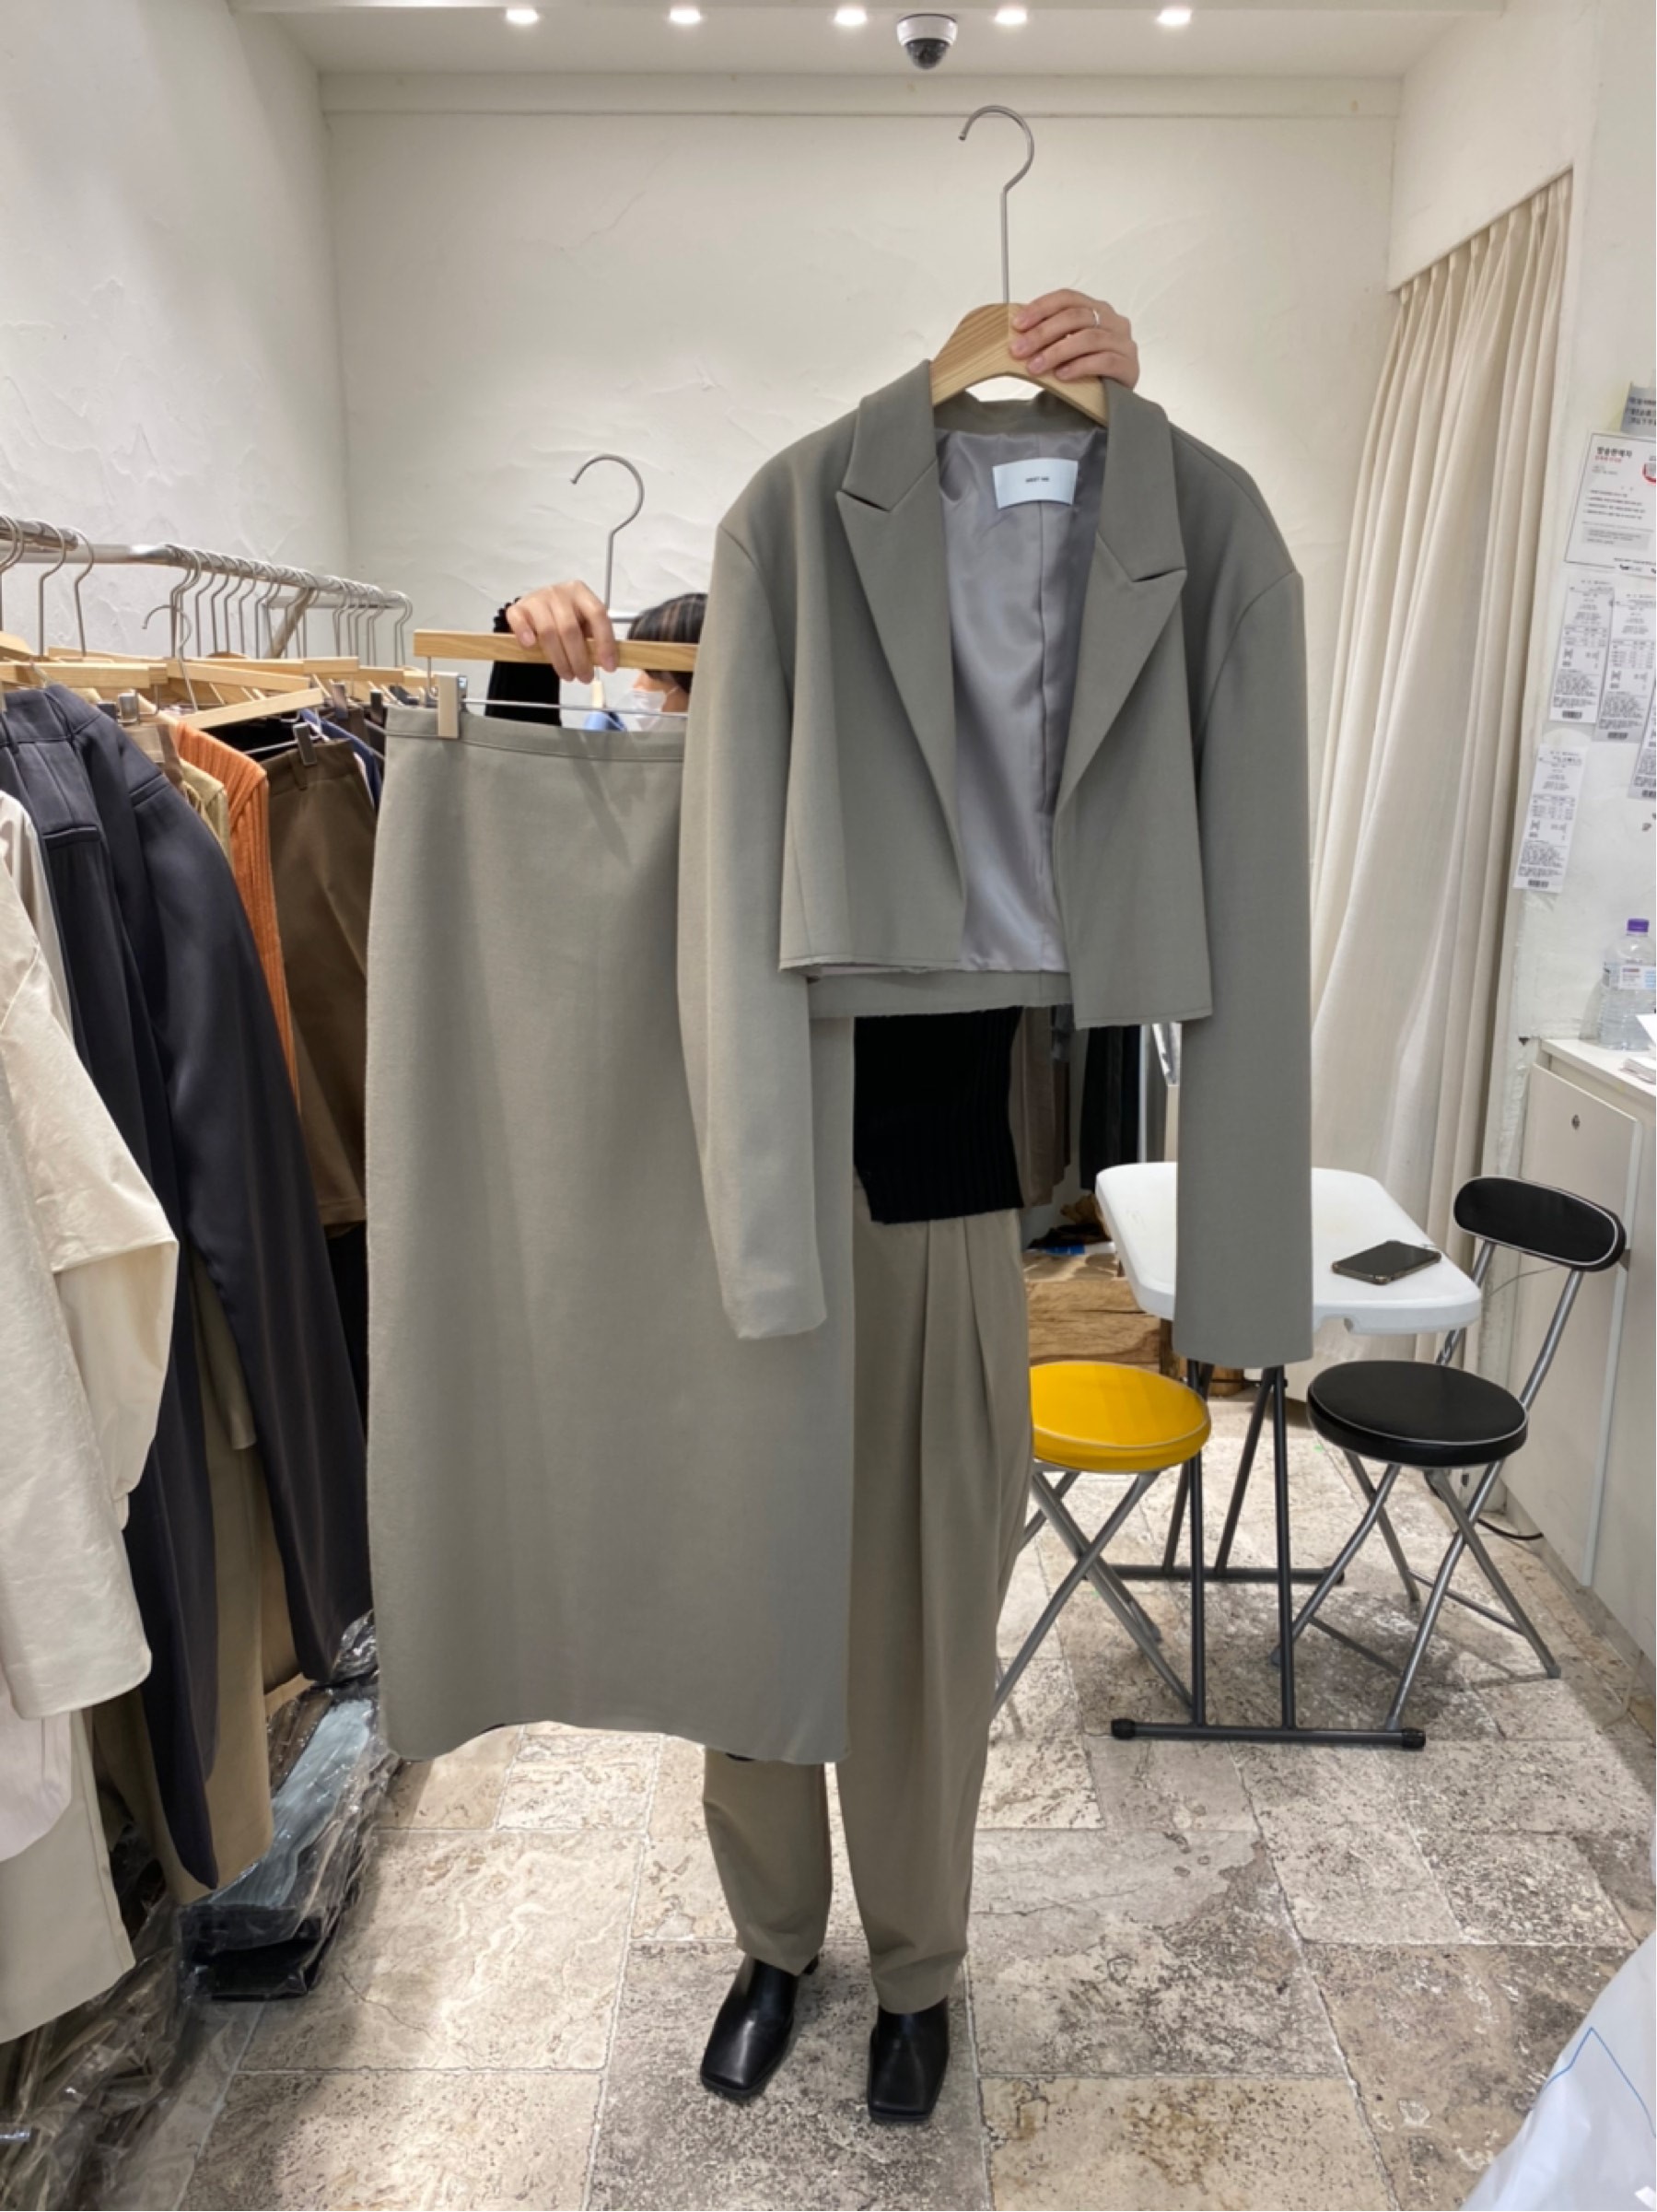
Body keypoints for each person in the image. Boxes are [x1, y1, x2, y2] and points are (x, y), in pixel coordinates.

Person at [504, 288, 1140, 2124]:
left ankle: (920, 1968)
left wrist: (1127, 438)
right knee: (748, 1596)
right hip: (728, 1217)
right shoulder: (708, 641)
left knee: (926, 1627)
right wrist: (543, 653)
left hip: (937, 1216)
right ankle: (773, 1943)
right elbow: (565, 840)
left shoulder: (1012, 656)